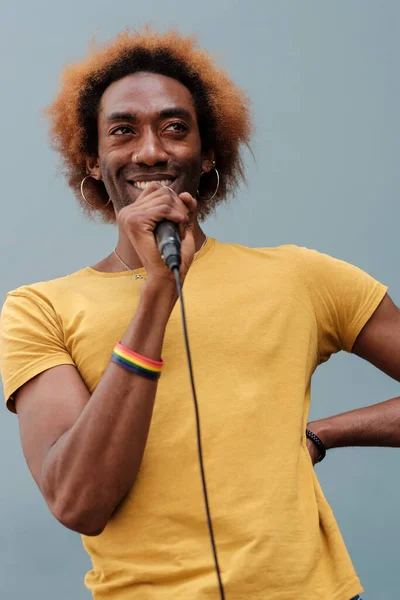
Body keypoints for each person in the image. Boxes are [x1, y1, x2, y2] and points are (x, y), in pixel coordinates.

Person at [0, 28, 398, 600]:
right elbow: (77, 501)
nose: (151, 151)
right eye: (122, 131)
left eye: (174, 128)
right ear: (91, 161)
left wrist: (320, 433)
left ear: (208, 152)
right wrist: (158, 296)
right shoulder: (39, 309)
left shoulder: (302, 276)